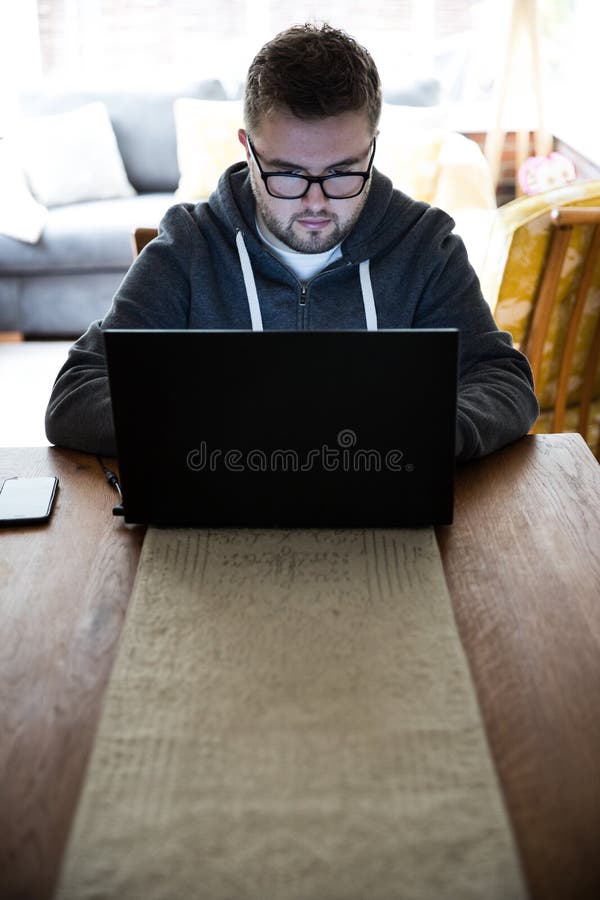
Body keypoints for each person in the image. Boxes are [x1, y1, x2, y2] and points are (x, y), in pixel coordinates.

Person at [45, 23, 538, 460]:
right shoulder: (188, 248)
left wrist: (425, 436)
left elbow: (503, 381)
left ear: (372, 147)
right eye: (288, 174)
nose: (317, 202)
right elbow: (75, 397)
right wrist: (225, 431)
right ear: (248, 148)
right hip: (218, 512)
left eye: (343, 172)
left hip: (381, 509)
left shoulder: (426, 246)